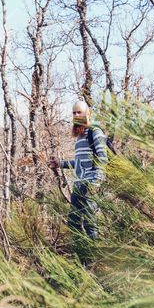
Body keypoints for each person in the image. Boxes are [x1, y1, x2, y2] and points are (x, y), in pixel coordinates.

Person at [50, 100, 108, 241]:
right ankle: (83, 256)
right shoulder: (80, 136)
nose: (76, 115)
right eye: (74, 112)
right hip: (78, 185)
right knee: (74, 222)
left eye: (79, 112)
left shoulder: (94, 131)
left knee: (90, 223)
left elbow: (102, 158)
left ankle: (93, 259)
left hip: (89, 185)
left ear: (87, 113)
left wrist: (95, 184)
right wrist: (60, 164)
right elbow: (79, 163)